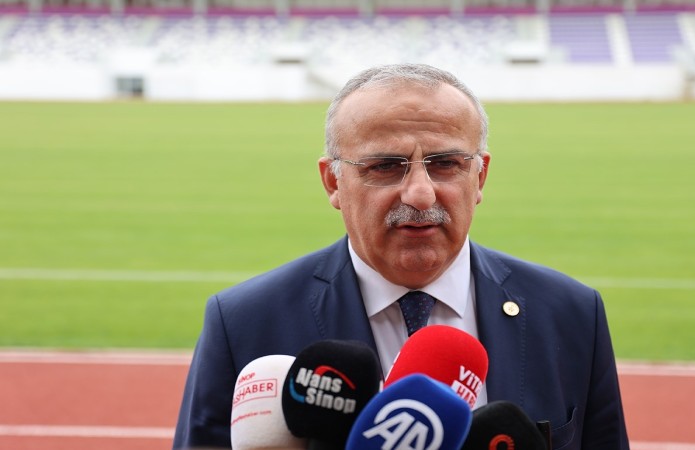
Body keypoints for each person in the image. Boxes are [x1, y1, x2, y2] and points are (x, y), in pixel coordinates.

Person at [173, 63, 629, 450]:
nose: (420, 193)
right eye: (385, 166)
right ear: (333, 182)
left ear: (480, 177)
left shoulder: (572, 313)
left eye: (445, 163)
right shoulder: (244, 323)